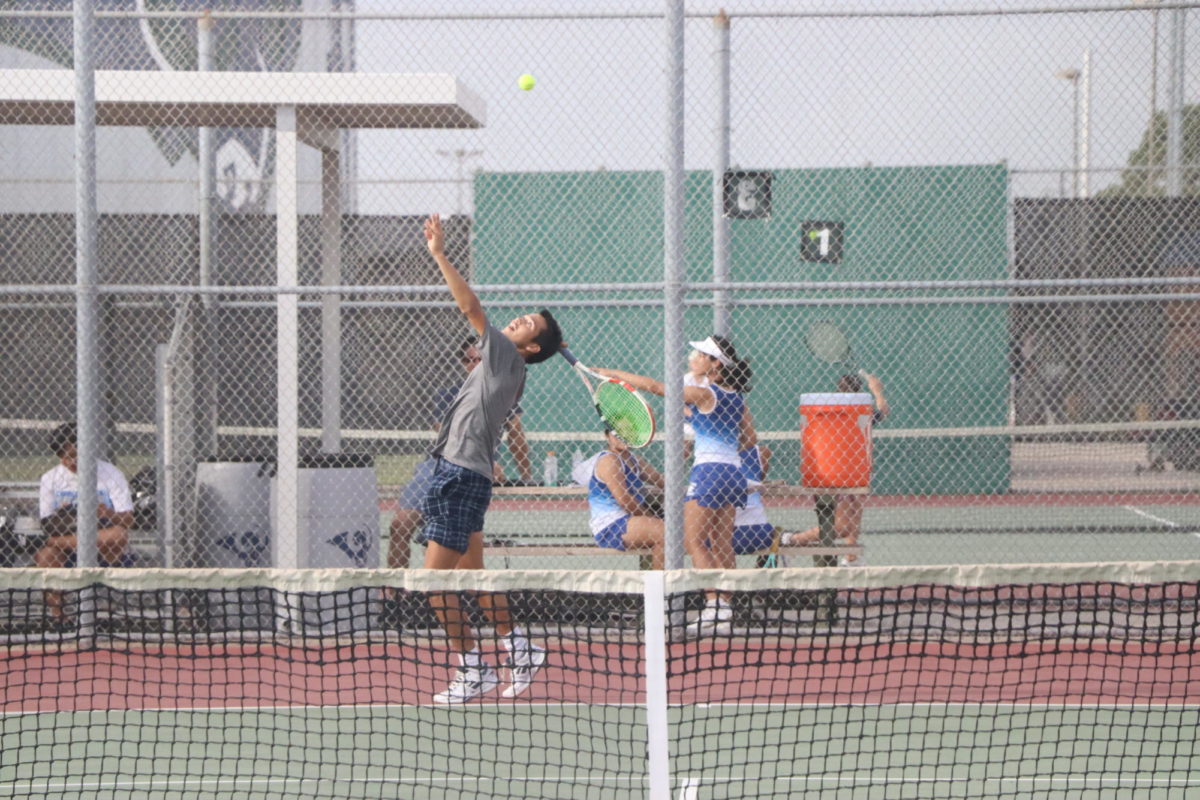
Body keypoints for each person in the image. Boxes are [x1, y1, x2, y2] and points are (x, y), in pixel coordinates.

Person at [418, 213, 563, 704]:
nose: (518, 318)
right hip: (461, 474)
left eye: (529, 324)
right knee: (474, 577)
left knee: (434, 585)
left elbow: (470, 306)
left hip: (460, 478)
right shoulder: (501, 361)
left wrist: (439, 253)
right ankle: (520, 647)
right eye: (523, 315)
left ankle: (472, 666)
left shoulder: (503, 354)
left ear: (531, 346)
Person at [597, 334, 754, 635]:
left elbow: (656, 388)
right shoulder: (736, 399)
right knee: (721, 543)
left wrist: (613, 374)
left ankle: (714, 605)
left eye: (701, 354)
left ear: (715, 365)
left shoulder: (703, 394)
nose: (694, 357)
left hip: (709, 472)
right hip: (734, 474)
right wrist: (705, 425)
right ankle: (725, 610)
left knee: (692, 541)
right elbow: (750, 440)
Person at [385, 335, 532, 571]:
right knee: (400, 525)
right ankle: (395, 596)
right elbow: (446, 431)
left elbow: (516, 433)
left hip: (475, 469)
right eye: (467, 359)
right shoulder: (449, 394)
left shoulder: (500, 392)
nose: (472, 364)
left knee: (455, 548)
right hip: (436, 465)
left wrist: (526, 475)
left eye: (478, 359)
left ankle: (456, 593)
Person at [782, 371, 888, 562]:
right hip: (833, 474)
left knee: (854, 517)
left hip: (853, 472)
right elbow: (883, 410)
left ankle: (851, 559)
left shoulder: (858, 413)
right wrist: (877, 390)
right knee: (842, 526)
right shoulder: (846, 414)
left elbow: (880, 413)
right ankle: (790, 540)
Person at [36, 422, 134, 622]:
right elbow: (47, 524)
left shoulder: (110, 474)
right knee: (46, 555)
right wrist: (68, 520)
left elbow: (128, 520)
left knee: (118, 536)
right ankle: (59, 618)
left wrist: (107, 513)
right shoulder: (50, 478)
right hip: (68, 545)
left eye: (75, 454)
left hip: (105, 547)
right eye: (65, 457)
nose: (71, 462)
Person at [576, 427, 666, 568]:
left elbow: (659, 479)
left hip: (632, 519)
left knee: (675, 532)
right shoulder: (609, 460)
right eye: (617, 433)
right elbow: (625, 501)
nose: (623, 436)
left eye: (627, 432)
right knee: (666, 532)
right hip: (610, 526)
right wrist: (651, 519)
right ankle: (659, 588)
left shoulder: (634, 460)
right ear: (607, 436)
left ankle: (655, 585)